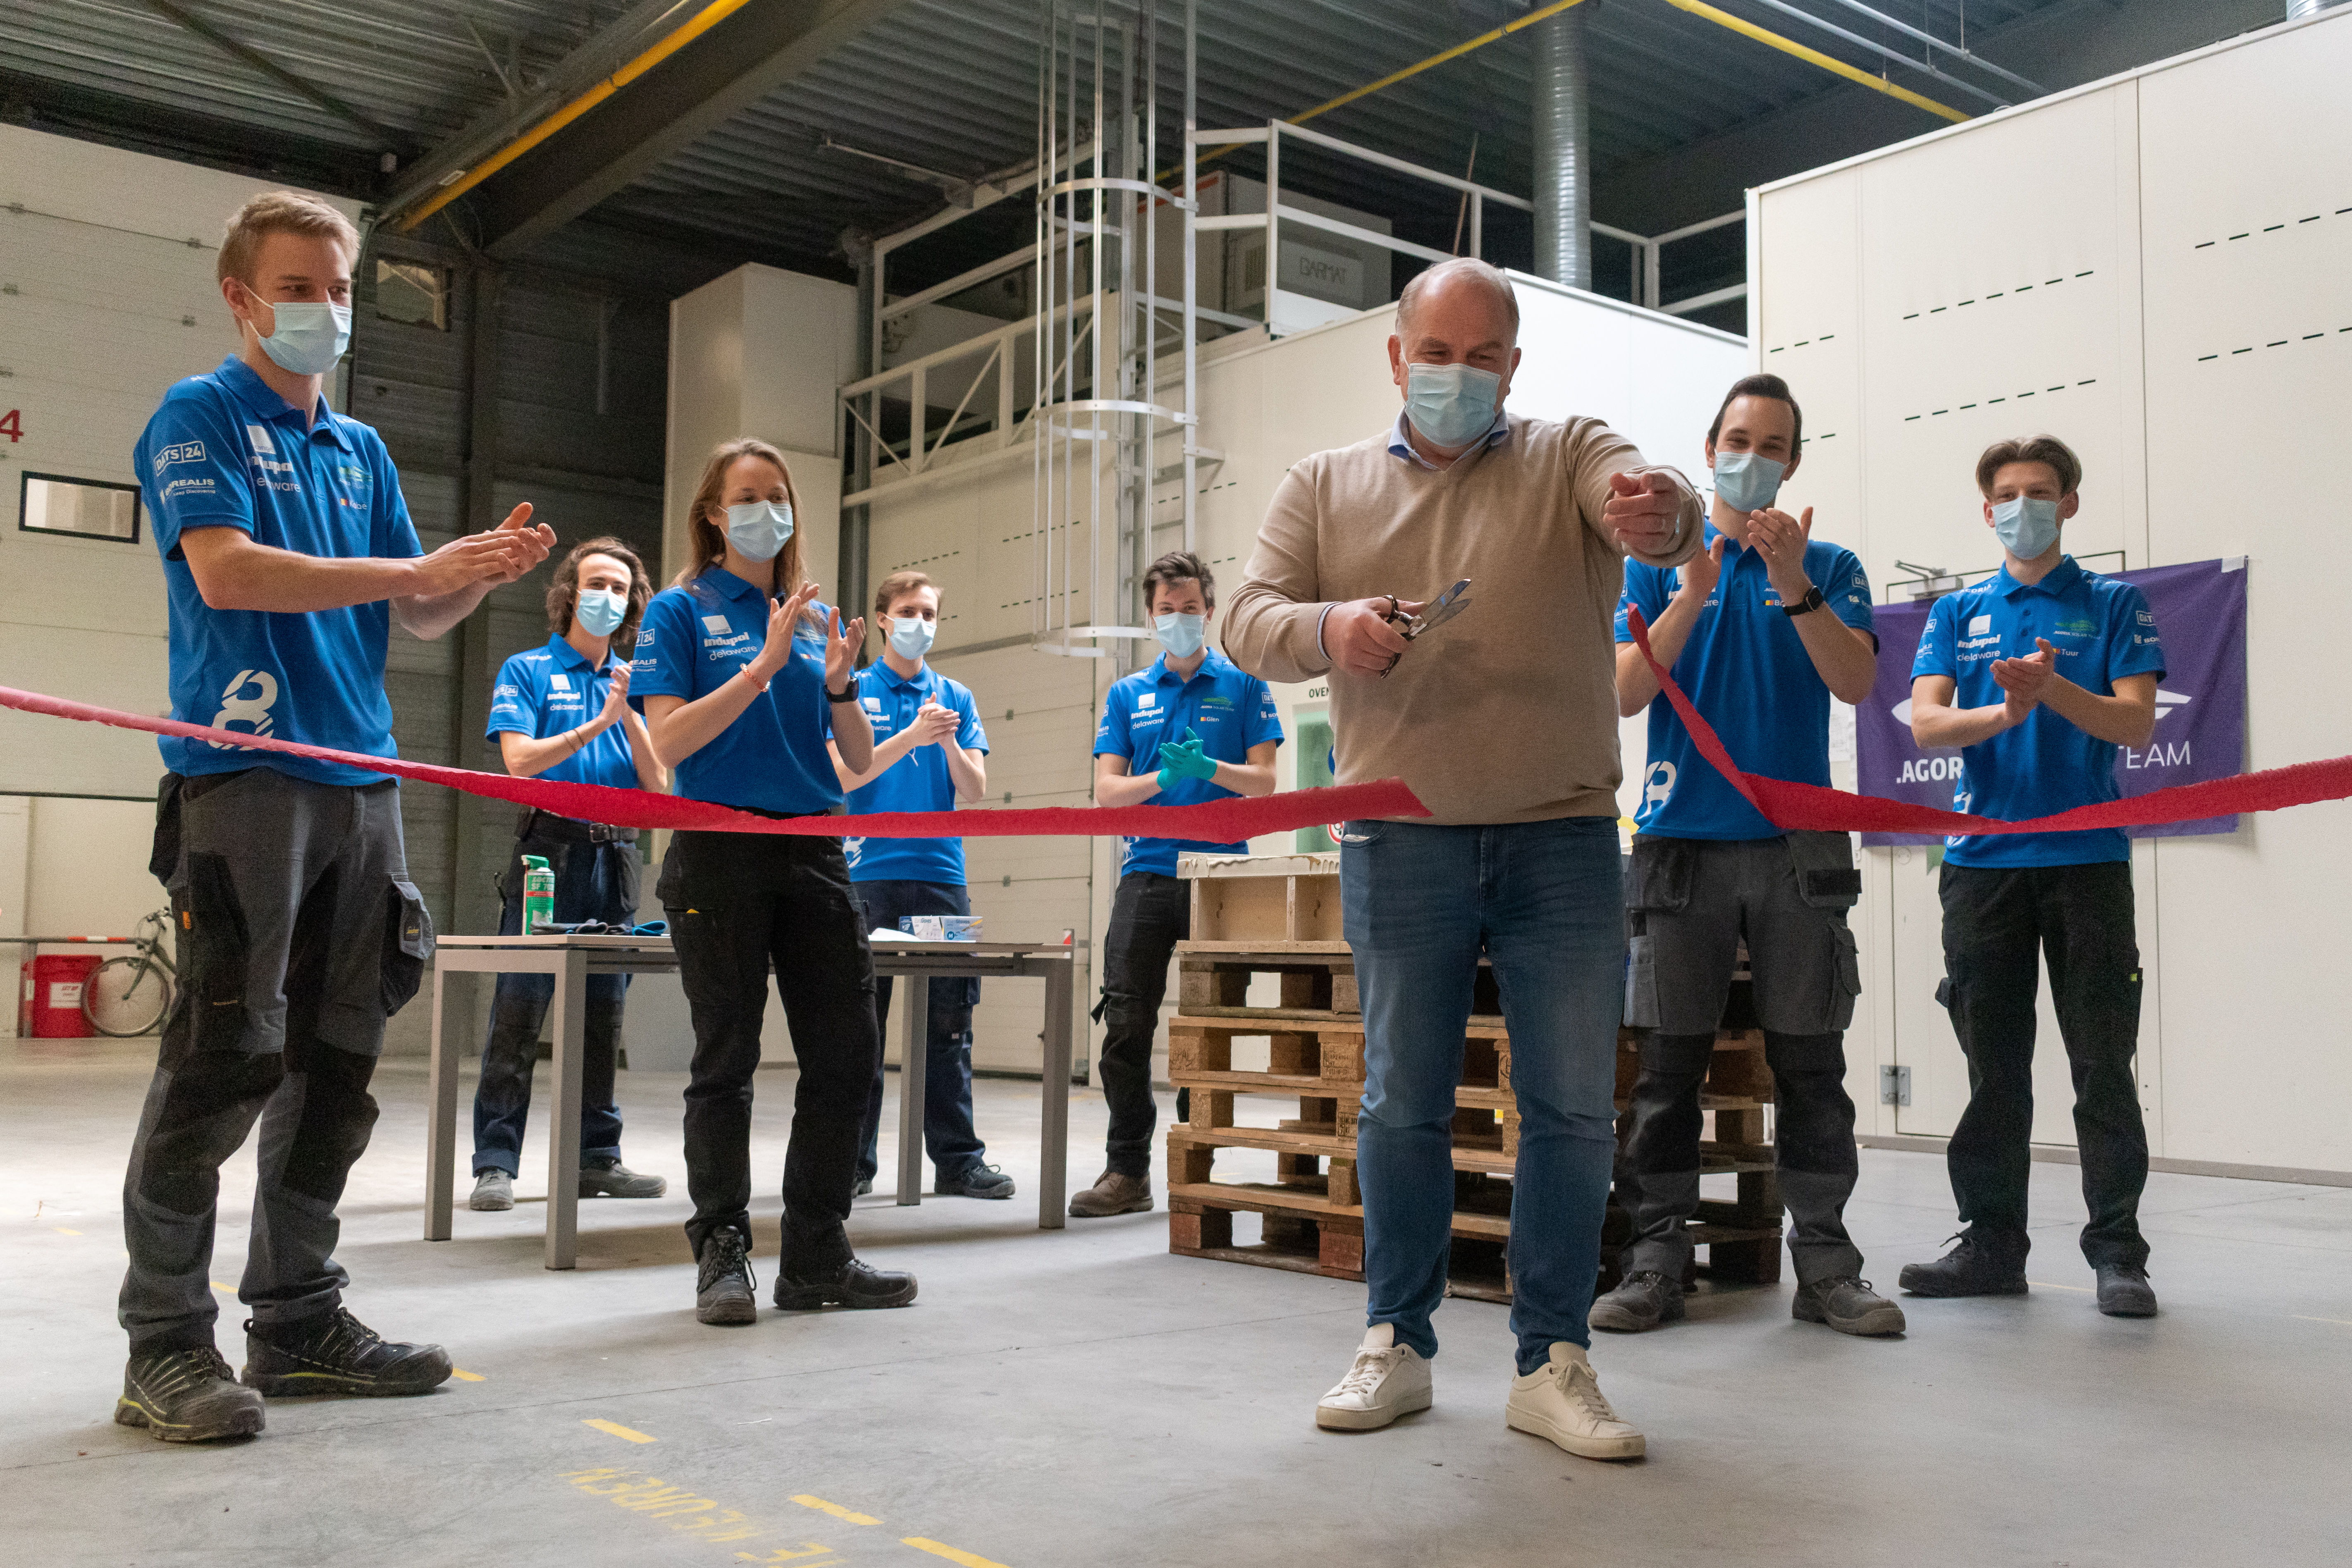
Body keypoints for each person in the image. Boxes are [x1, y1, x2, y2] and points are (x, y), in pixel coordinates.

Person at [1224, 257, 1701, 1461]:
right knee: (1399, 1105)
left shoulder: (1565, 451)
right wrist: (1327, 627)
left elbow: (1645, 495)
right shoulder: (1324, 485)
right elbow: (1246, 619)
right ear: (1395, 358)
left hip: (1563, 838)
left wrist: (1665, 514)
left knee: (1569, 1109)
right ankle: (1398, 1340)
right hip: (1399, 838)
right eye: (1434, 353)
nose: (1456, 374)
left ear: (1514, 368)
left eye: (1482, 355)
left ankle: (1552, 1359)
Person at [118, 191, 554, 1442]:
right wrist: (414, 570)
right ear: (243, 298)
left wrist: (466, 576)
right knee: (221, 1060)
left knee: (338, 1064)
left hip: (363, 785)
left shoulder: (359, 452)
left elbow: (412, 617)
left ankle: (298, 1319)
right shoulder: (198, 416)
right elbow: (228, 569)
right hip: (247, 781)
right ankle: (163, 1343)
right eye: (300, 286)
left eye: (341, 286)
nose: (325, 307)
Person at [1597, 373, 1901, 1338]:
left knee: (1811, 1065)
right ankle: (1654, 1263)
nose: (1752, 455)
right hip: (1681, 842)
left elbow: (1854, 681)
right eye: (1738, 436)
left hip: (1796, 849)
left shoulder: (1831, 565)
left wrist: (1793, 582)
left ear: (1794, 462)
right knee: (1666, 1070)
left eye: (1773, 443)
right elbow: (1624, 693)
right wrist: (1690, 591)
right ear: (1710, 444)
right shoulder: (1651, 566)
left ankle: (1825, 1265)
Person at [631, 436, 915, 1326]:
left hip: (817, 853)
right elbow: (668, 746)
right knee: (727, 1059)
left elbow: (859, 761)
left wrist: (836, 684)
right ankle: (721, 1249)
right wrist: (759, 668)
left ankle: (817, 1253)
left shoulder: (814, 620)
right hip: (720, 851)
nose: (768, 509)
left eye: (779, 494)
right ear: (715, 514)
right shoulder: (679, 613)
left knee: (847, 1054)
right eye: (748, 495)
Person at [1900, 435, 2163, 1319]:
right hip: (1981, 869)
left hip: (2087, 863)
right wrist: (2005, 709)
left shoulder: (2113, 604)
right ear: (1986, 511)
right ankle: (1989, 1243)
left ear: (2070, 503)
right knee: (1993, 1070)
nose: (2024, 505)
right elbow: (1926, 728)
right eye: (2007, 494)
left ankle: (2118, 1252)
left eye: (2041, 491)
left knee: (2103, 1064)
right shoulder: (1955, 612)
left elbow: (2131, 725)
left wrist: (2051, 694)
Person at [1075, 551, 1283, 1219]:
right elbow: (1108, 793)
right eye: (1166, 611)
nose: (1178, 620)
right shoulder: (1126, 694)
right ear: (1150, 616)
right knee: (1127, 1024)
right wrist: (1160, 781)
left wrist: (1209, 768)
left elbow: (1265, 782)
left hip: (1222, 880)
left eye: (1189, 609)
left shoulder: (1246, 687)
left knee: (1209, 1025)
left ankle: (1202, 1161)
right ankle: (1126, 1169)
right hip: (1147, 874)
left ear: (1210, 612)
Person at [468, 538, 671, 1212]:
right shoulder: (527, 670)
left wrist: (630, 714)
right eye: (598, 583)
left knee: (602, 1015)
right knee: (520, 1010)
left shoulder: (638, 683)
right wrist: (596, 725)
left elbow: (659, 785)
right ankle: (496, 1161)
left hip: (616, 858)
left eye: (621, 588)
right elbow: (519, 763)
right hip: (545, 855)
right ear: (567, 593)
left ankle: (596, 1157)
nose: (609, 598)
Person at [832, 570, 1006, 1200]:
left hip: (941, 879)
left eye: (929, 613)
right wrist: (908, 736)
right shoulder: (854, 691)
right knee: (859, 1029)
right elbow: (841, 778)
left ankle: (958, 1161)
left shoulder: (955, 695)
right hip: (866, 876)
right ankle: (851, 1163)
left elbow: (975, 791)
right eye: (908, 611)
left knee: (949, 1027)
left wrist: (951, 738)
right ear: (881, 618)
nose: (920, 623)